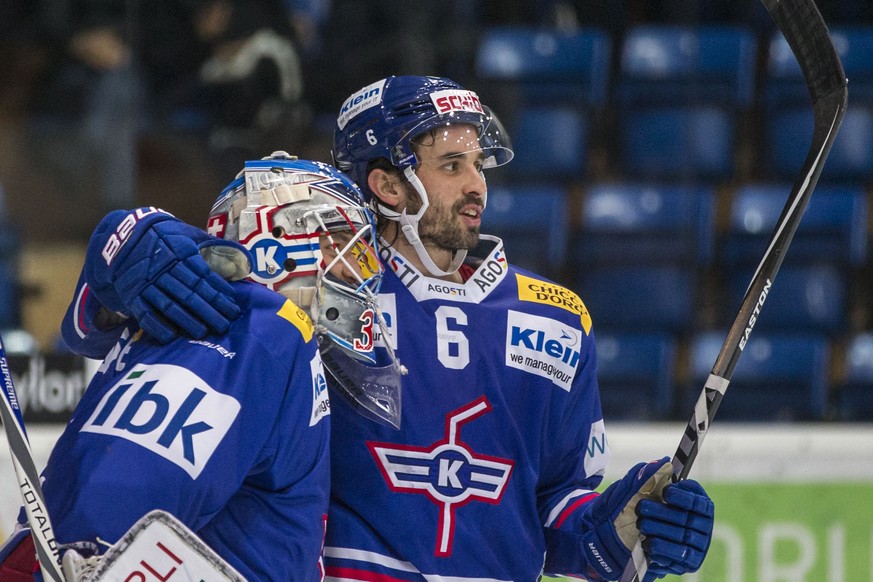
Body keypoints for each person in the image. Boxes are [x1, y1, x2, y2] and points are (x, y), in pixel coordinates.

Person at [46, 77, 715, 580]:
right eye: (450, 165)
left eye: (478, 164)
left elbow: (560, 511)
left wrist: (620, 526)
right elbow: (171, 322)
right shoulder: (319, 291)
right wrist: (128, 251)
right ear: (388, 185)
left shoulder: (557, 319)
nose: (475, 184)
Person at [2, 153, 401, 580]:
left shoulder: (262, 343)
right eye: (341, 244)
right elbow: (103, 523)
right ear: (277, 243)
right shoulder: (256, 329)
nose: (361, 272)